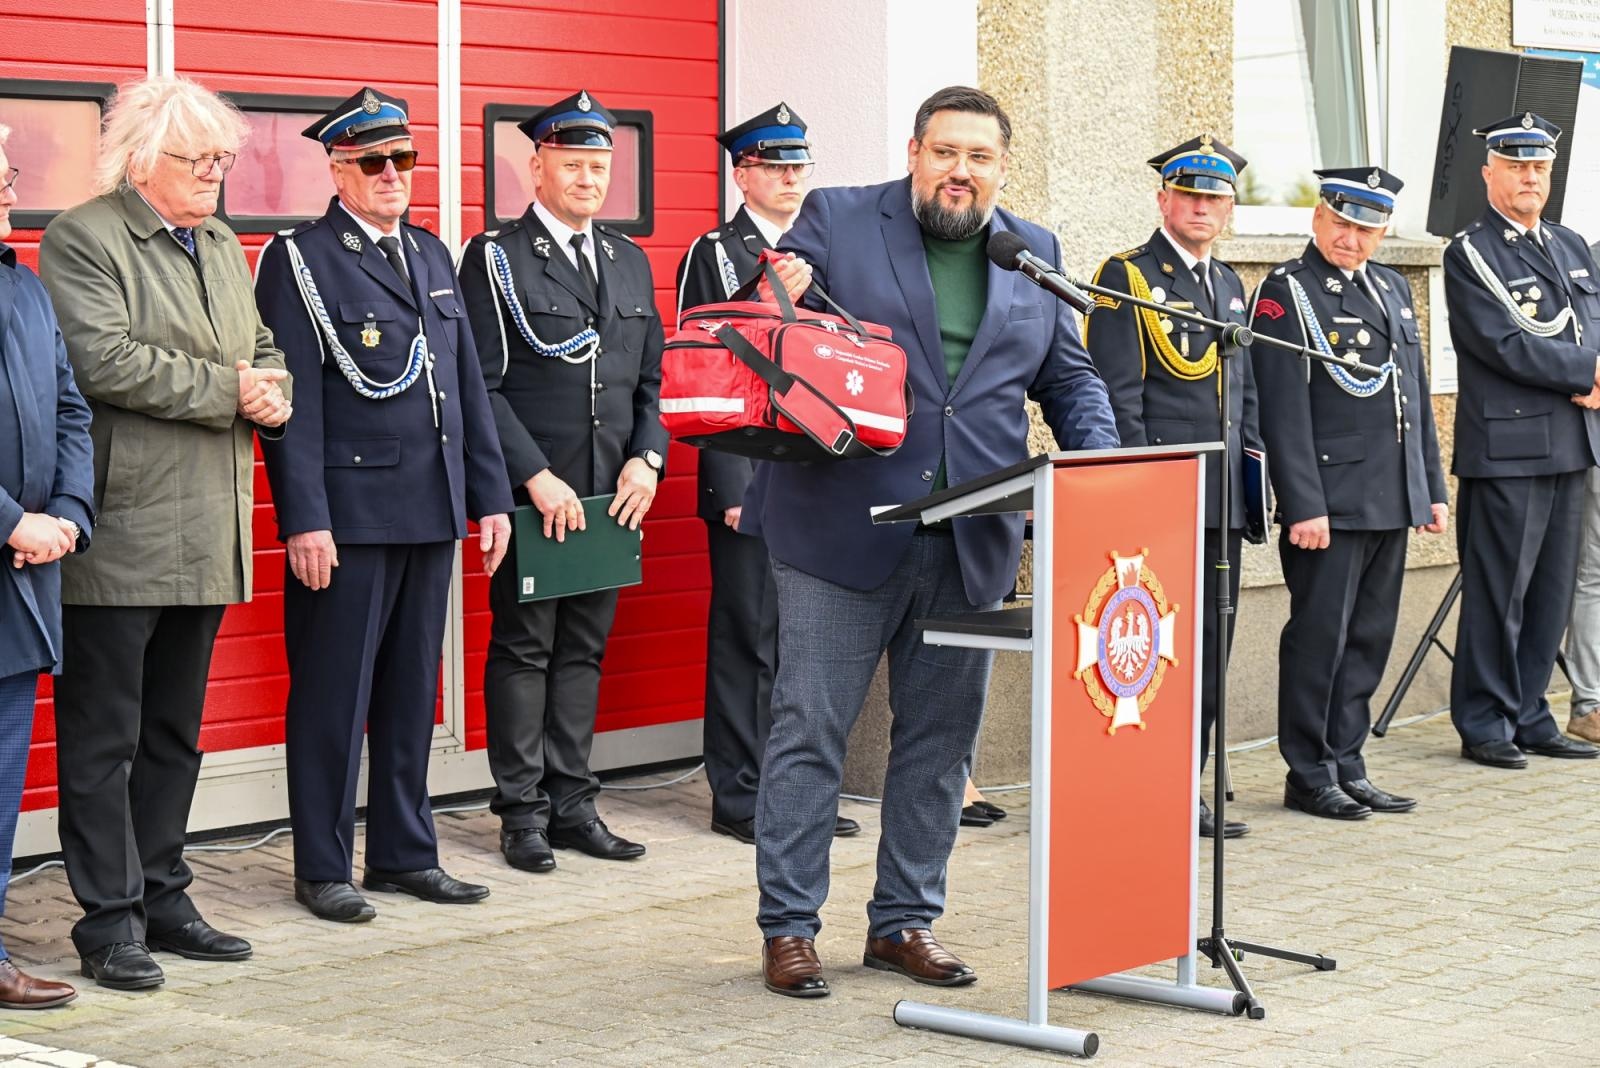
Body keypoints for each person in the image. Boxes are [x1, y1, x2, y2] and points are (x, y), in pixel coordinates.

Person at [745, 85, 1118, 998]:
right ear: (915, 152)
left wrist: (1102, 469)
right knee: (810, 732)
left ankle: (903, 921)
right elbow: (765, 326)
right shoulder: (835, 218)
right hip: (840, 525)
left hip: (974, 536)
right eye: (946, 152)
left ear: (1001, 167)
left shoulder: (1032, 252)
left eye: (980, 157)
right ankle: (789, 928)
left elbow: (1067, 379)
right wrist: (771, 292)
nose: (961, 171)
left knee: (942, 744)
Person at [38, 76, 292, 990]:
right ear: (145, 159)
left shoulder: (222, 242)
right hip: (126, 528)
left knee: (176, 732)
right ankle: (107, 920)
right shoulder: (85, 237)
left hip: (209, 527)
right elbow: (103, 360)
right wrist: (227, 391)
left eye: (225, 159)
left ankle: (163, 890)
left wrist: (273, 388)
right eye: (201, 160)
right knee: (105, 737)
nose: (219, 175)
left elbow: (260, 347)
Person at [254, 87, 514, 922]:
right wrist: (305, 518)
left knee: (411, 695)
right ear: (337, 168)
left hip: (430, 508)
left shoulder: (432, 255)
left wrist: (490, 496)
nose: (394, 175)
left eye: (403, 159)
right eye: (375, 162)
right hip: (350, 516)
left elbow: (466, 386)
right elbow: (295, 400)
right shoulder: (301, 260)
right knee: (334, 696)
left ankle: (405, 852)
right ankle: (323, 866)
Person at [460, 91, 668, 874]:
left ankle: (575, 802)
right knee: (524, 648)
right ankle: (522, 814)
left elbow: (653, 378)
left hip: (612, 495)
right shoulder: (497, 257)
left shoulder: (628, 259)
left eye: (600, 164)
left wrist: (647, 460)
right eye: (573, 163)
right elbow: (481, 383)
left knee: (584, 649)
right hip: (537, 493)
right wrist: (531, 477)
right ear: (537, 166)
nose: (589, 178)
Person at [673, 103, 858, 845]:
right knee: (747, 638)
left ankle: (800, 792)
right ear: (741, 173)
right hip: (750, 474)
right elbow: (704, 361)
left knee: (804, 643)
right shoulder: (716, 250)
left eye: (798, 166)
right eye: (774, 166)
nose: (789, 178)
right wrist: (728, 485)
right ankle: (740, 794)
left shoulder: (825, 245)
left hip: (816, 472)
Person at [1250, 167, 1449, 819]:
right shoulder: (1288, 291)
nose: (1352, 240)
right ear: (1318, 219)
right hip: (1328, 504)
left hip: (1390, 495)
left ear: (1383, 232)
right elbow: (1281, 408)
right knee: (1320, 637)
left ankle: (1348, 760)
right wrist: (1302, 503)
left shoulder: (1392, 288)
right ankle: (1307, 772)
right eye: (1342, 224)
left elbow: (1412, 396)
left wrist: (1429, 489)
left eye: (1367, 229)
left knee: (1369, 636)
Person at [1083, 134, 1261, 839]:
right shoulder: (1126, 277)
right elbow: (1116, 399)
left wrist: (1252, 491)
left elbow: (1242, 402)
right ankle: (1146, 785)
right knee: (1152, 652)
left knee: (1209, 650)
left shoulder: (1228, 285)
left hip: (1220, 501)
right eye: (1189, 194)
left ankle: (1190, 782)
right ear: (1163, 199)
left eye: (1214, 199)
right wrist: (1134, 495)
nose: (1201, 208)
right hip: (1159, 502)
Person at [1444, 112, 1600, 769]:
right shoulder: (1472, 250)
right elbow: (1501, 343)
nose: (1529, 177)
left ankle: (1531, 713)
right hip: (1508, 449)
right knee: (1499, 593)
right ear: (1489, 175)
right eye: (1515, 166)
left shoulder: (1571, 246)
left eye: (1538, 167)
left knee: (1550, 594)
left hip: (1571, 439)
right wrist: (1586, 372)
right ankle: (1483, 721)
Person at [0, 128, 89, 1010]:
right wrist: (10, 521)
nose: (5, 191)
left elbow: (70, 408)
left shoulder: (25, 288)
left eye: (6, 176)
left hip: (22, 586)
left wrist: (66, 515)